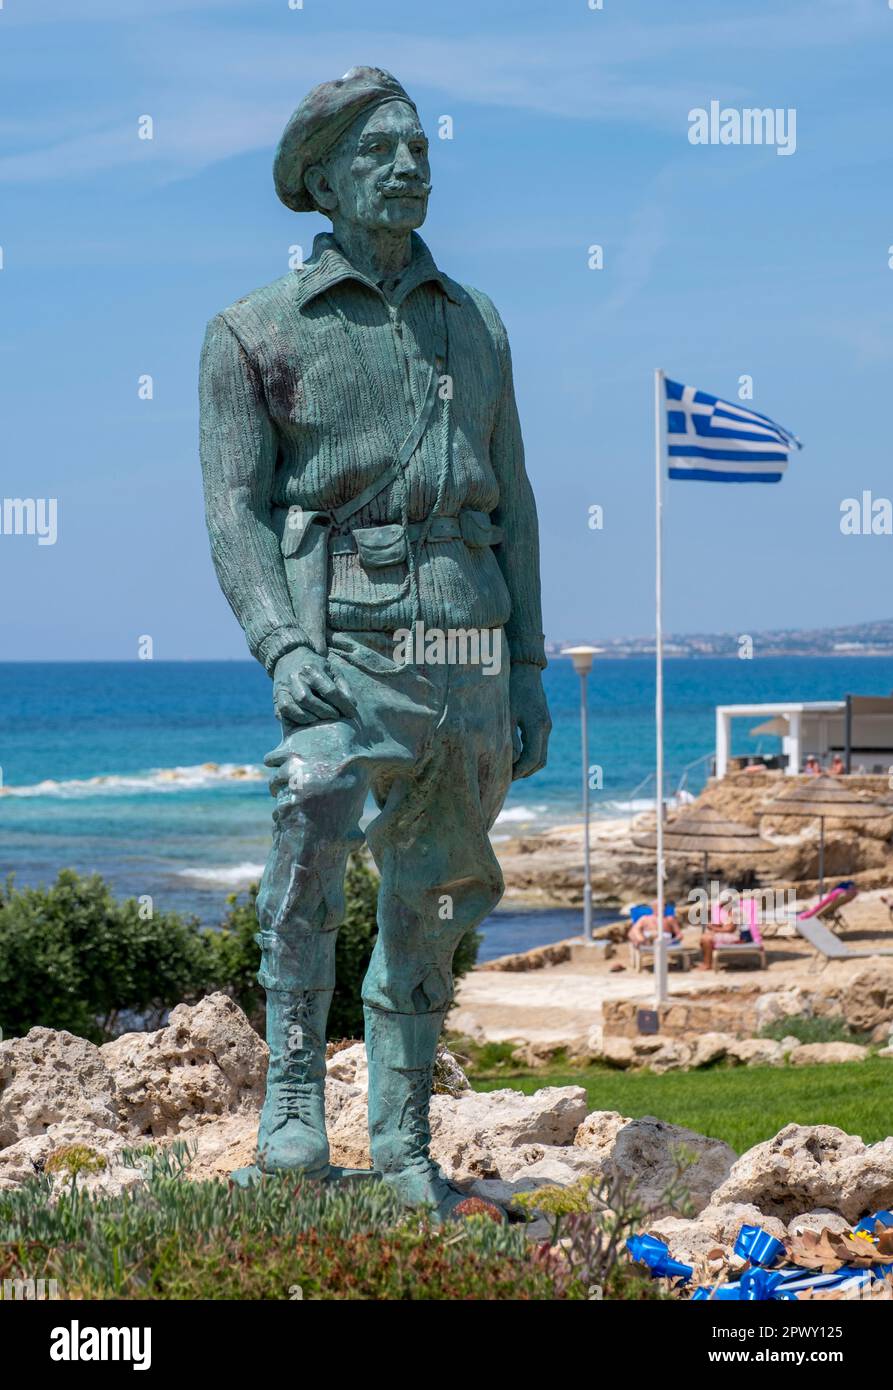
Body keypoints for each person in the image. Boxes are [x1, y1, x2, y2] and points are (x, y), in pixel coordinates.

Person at [199, 68, 551, 1220]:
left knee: (436, 892)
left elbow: (516, 502)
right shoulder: (255, 330)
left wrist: (532, 668)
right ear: (325, 179)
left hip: (472, 643)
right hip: (340, 633)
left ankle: (403, 1146)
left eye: (418, 146)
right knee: (307, 836)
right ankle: (292, 1099)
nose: (409, 166)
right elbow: (235, 512)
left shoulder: (477, 320)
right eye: (379, 151)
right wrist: (278, 649)